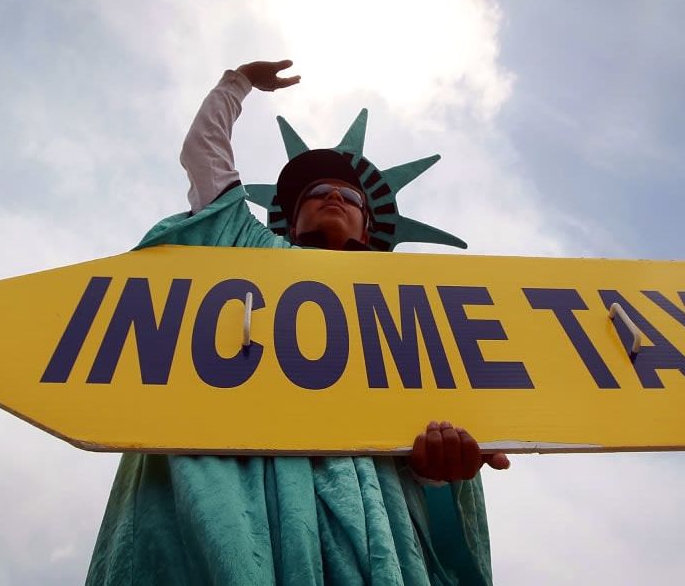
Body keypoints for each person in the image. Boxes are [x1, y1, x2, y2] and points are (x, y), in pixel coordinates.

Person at [86, 60, 509, 586]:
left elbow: (425, 432)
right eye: (315, 193)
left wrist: (438, 466)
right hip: (230, 484)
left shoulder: (408, 306)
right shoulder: (244, 246)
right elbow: (204, 155)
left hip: (374, 510)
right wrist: (235, 84)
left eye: (350, 196)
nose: (333, 196)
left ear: (367, 223)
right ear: (290, 216)